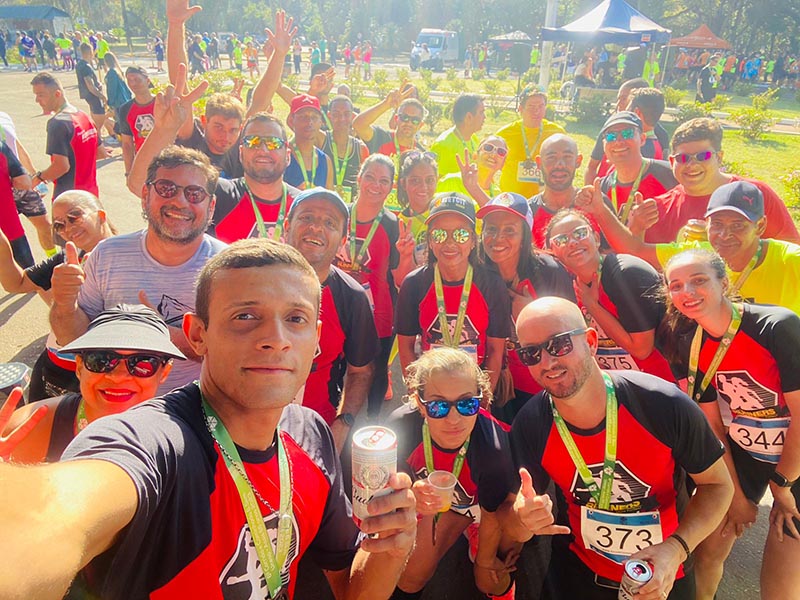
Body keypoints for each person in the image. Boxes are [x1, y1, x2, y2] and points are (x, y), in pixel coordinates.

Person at [0, 238, 417, 599]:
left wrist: (391, 549)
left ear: (317, 339)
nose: (275, 338)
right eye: (245, 316)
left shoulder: (311, 434)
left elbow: (351, 590)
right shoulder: (156, 443)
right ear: (197, 335)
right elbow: (48, 517)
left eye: (296, 319)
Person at [504, 296, 734, 599]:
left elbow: (718, 485)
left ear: (590, 341)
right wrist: (522, 519)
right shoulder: (531, 423)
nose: (547, 362)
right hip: (578, 577)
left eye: (559, 345)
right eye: (531, 353)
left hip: (663, 576)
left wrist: (675, 549)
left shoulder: (662, 405)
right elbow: (512, 523)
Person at [659, 249, 800, 600]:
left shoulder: (777, 326)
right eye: (676, 285)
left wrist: (781, 484)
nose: (686, 291)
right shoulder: (686, 341)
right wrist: (735, 496)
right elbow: (714, 428)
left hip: (795, 461)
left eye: (699, 280)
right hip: (747, 455)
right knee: (706, 553)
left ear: (724, 283)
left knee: (782, 573)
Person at [49, 146, 226, 395]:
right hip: (116, 403)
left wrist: (159, 332)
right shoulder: (107, 254)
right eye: (166, 188)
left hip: (194, 409)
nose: (179, 200)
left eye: (195, 193)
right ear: (145, 195)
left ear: (211, 205)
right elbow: (72, 339)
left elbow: (232, 356)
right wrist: (65, 304)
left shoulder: (227, 268)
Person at [385, 347, 524, 599]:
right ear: (419, 402)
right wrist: (411, 495)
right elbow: (393, 485)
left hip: (486, 507)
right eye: (438, 406)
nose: (453, 419)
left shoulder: (493, 450)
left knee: (491, 582)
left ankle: (467, 528)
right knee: (410, 580)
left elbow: (493, 515)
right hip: (440, 502)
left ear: (480, 400)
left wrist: (484, 561)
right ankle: (457, 524)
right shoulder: (401, 426)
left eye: (466, 404)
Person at [580, 179, 800, 315]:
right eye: (717, 224)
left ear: (760, 226)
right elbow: (635, 250)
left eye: (738, 226)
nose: (725, 235)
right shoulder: (698, 255)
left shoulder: (790, 260)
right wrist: (599, 210)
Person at [2, 304, 184, 463]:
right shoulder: (28, 430)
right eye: (101, 360)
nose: (118, 376)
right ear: (79, 367)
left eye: (142, 363)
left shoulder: (179, 444)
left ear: (164, 372)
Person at [284, 187, 378, 451]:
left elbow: (361, 371)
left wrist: (343, 424)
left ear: (343, 238)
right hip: (247, 430)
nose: (316, 228)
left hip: (314, 433)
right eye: (307, 218)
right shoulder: (252, 279)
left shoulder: (352, 297)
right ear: (288, 225)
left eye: (329, 223)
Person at [477, 193, 575, 423]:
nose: (498, 238)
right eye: (490, 229)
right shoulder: (477, 272)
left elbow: (572, 329)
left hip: (543, 385)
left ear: (524, 235)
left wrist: (533, 311)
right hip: (498, 384)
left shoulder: (549, 271)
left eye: (509, 230)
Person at [396, 193, 510, 390]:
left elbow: (495, 351)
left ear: (474, 241)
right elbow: (405, 347)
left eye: (461, 235)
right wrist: (418, 396)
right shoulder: (414, 284)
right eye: (439, 234)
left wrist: (482, 401)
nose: (450, 243)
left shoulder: (491, 284)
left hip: (474, 388)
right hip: (431, 389)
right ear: (430, 241)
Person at [545, 209, 674, 381]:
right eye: (561, 240)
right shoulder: (570, 285)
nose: (573, 242)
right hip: (624, 385)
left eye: (580, 233)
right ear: (553, 251)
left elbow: (642, 350)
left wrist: (593, 306)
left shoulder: (625, 273)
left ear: (596, 239)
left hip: (664, 384)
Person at [641, 118, 800, 244]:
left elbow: (791, 252)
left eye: (703, 156)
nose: (692, 165)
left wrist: (723, 242)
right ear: (671, 161)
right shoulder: (659, 208)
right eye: (683, 158)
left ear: (719, 157)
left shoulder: (755, 193)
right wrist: (635, 229)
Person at [583, 78, 670, 185]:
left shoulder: (638, 146)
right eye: (610, 137)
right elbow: (591, 167)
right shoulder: (655, 142)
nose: (618, 142)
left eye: (627, 104)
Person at [30, 72, 102, 199]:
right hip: (90, 193)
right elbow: (100, 152)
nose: (37, 100)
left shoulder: (57, 123)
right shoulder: (84, 116)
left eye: (41, 95)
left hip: (69, 197)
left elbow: (61, 166)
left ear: (57, 94)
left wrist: (39, 178)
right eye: (36, 95)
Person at [597, 111, 677, 225]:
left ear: (642, 139)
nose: (618, 141)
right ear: (603, 144)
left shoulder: (670, 174)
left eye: (627, 133)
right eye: (611, 136)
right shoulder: (602, 189)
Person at [495, 88, 565, 197]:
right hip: (511, 197)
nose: (536, 111)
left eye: (541, 106)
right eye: (531, 107)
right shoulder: (505, 134)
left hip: (544, 198)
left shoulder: (556, 133)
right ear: (520, 109)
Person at [393, 151, 439, 285]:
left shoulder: (445, 215)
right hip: (415, 295)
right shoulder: (397, 224)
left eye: (429, 180)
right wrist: (406, 256)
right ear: (403, 183)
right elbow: (401, 281)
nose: (423, 187)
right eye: (415, 181)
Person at [321, 94, 370, 204]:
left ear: (353, 116)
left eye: (346, 114)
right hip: (322, 206)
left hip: (350, 210)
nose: (341, 119)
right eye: (336, 114)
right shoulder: (321, 140)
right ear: (329, 116)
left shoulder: (361, 149)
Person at [430, 94, 485, 178]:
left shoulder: (473, 138)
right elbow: (436, 183)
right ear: (469, 117)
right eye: (481, 113)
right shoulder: (443, 145)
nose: (485, 117)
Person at [285, 94, 334, 190]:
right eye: (303, 117)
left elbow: (329, 200)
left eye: (314, 117)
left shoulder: (325, 161)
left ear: (320, 122)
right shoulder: (281, 155)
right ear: (291, 120)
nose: (309, 122)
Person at [439, 135, 507, 203]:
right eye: (488, 148)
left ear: (503, 164)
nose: (493, 154)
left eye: (501, 152)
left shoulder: (497, 195)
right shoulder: (450, 181)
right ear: (475, 156)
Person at [118, 66, 156, 176]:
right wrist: (129, 172)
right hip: (143, 162)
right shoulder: (125, 109)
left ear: (148, 81)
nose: (134, 84)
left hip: (167, 160)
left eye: (138, 80)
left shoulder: (161, 103)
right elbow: (127, 144)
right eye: (130, 80)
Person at [76, 43, 111, 138]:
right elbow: (90, 85)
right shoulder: (86, 67)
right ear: (90, 52)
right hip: (92, 95)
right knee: (99, 119)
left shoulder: (80, 64)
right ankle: (98, 141)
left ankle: (99, 138)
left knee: (95, 115)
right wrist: (101, 96)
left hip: (87, 95)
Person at [102, 52, 132, 143]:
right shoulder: (118, 71)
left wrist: (110, 102)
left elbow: (112, 89)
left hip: (118, 101)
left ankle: (121, 138)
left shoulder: (112, 73)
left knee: (119, 121)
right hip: (124, 99)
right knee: (123, 120)